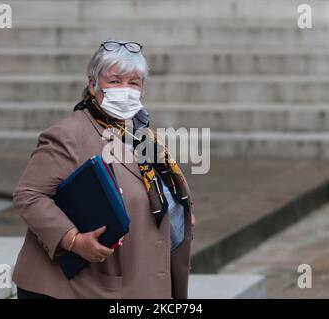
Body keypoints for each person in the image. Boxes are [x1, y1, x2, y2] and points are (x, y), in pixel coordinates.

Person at [12, 40, 195, 299]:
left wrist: (179, 211)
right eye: (115, 81)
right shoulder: (68, 135)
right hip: (76, 289)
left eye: (134, 83)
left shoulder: (143, 135)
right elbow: (28, 195)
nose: (125, 90)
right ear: (92, 85)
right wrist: (72, 239)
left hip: (138, 281)